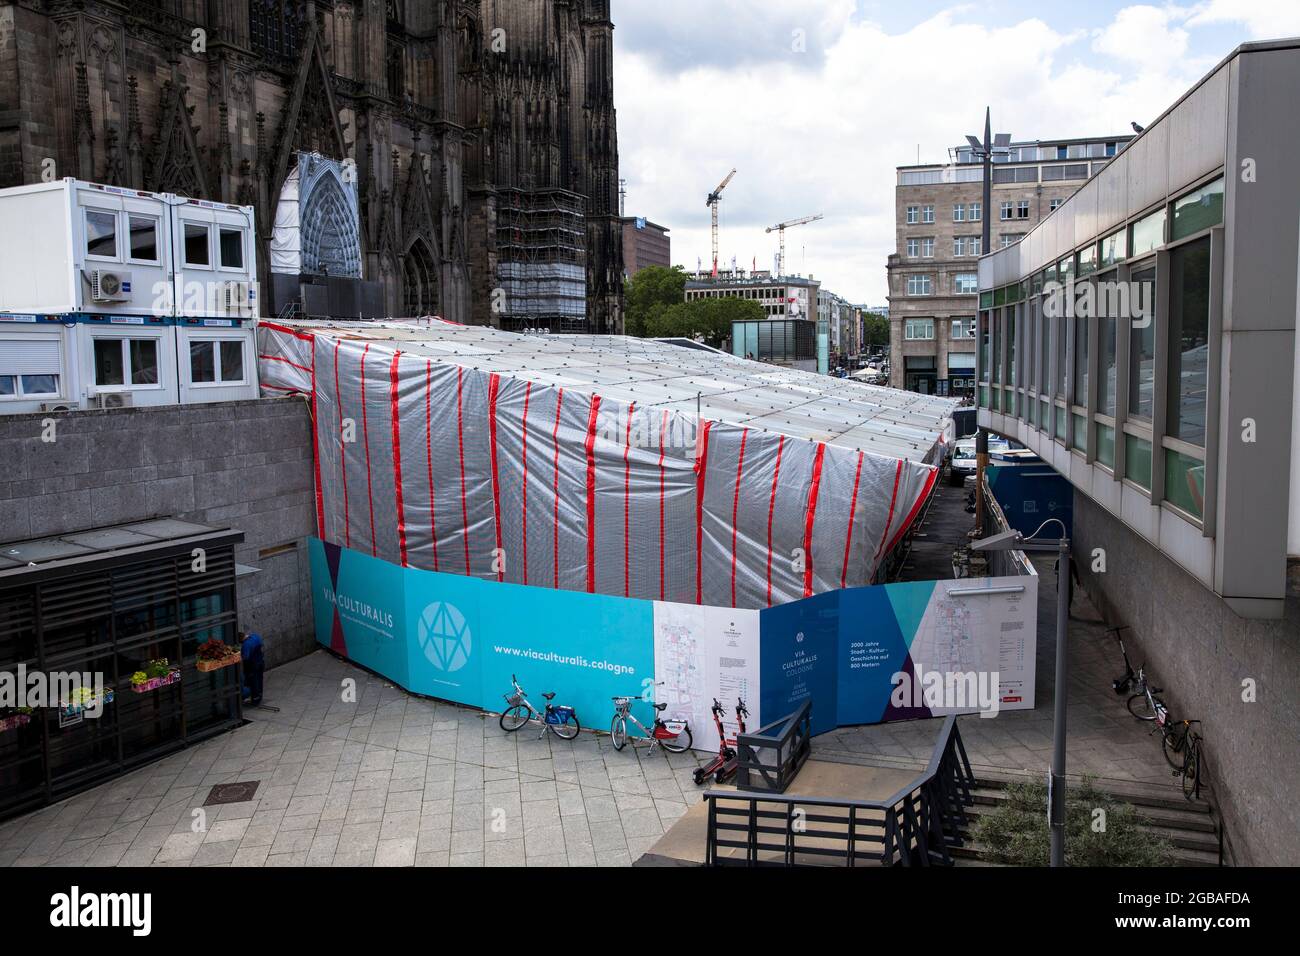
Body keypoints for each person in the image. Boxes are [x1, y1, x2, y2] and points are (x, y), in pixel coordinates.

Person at [240, 630, 265, 706]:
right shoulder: (255, 636)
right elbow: (262, 645)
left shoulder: (246, 644)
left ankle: (255, 699)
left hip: (252, 665)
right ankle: (259, 696)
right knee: (259, 679)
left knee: (253, 681)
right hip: (261, 661)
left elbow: (246, 658)